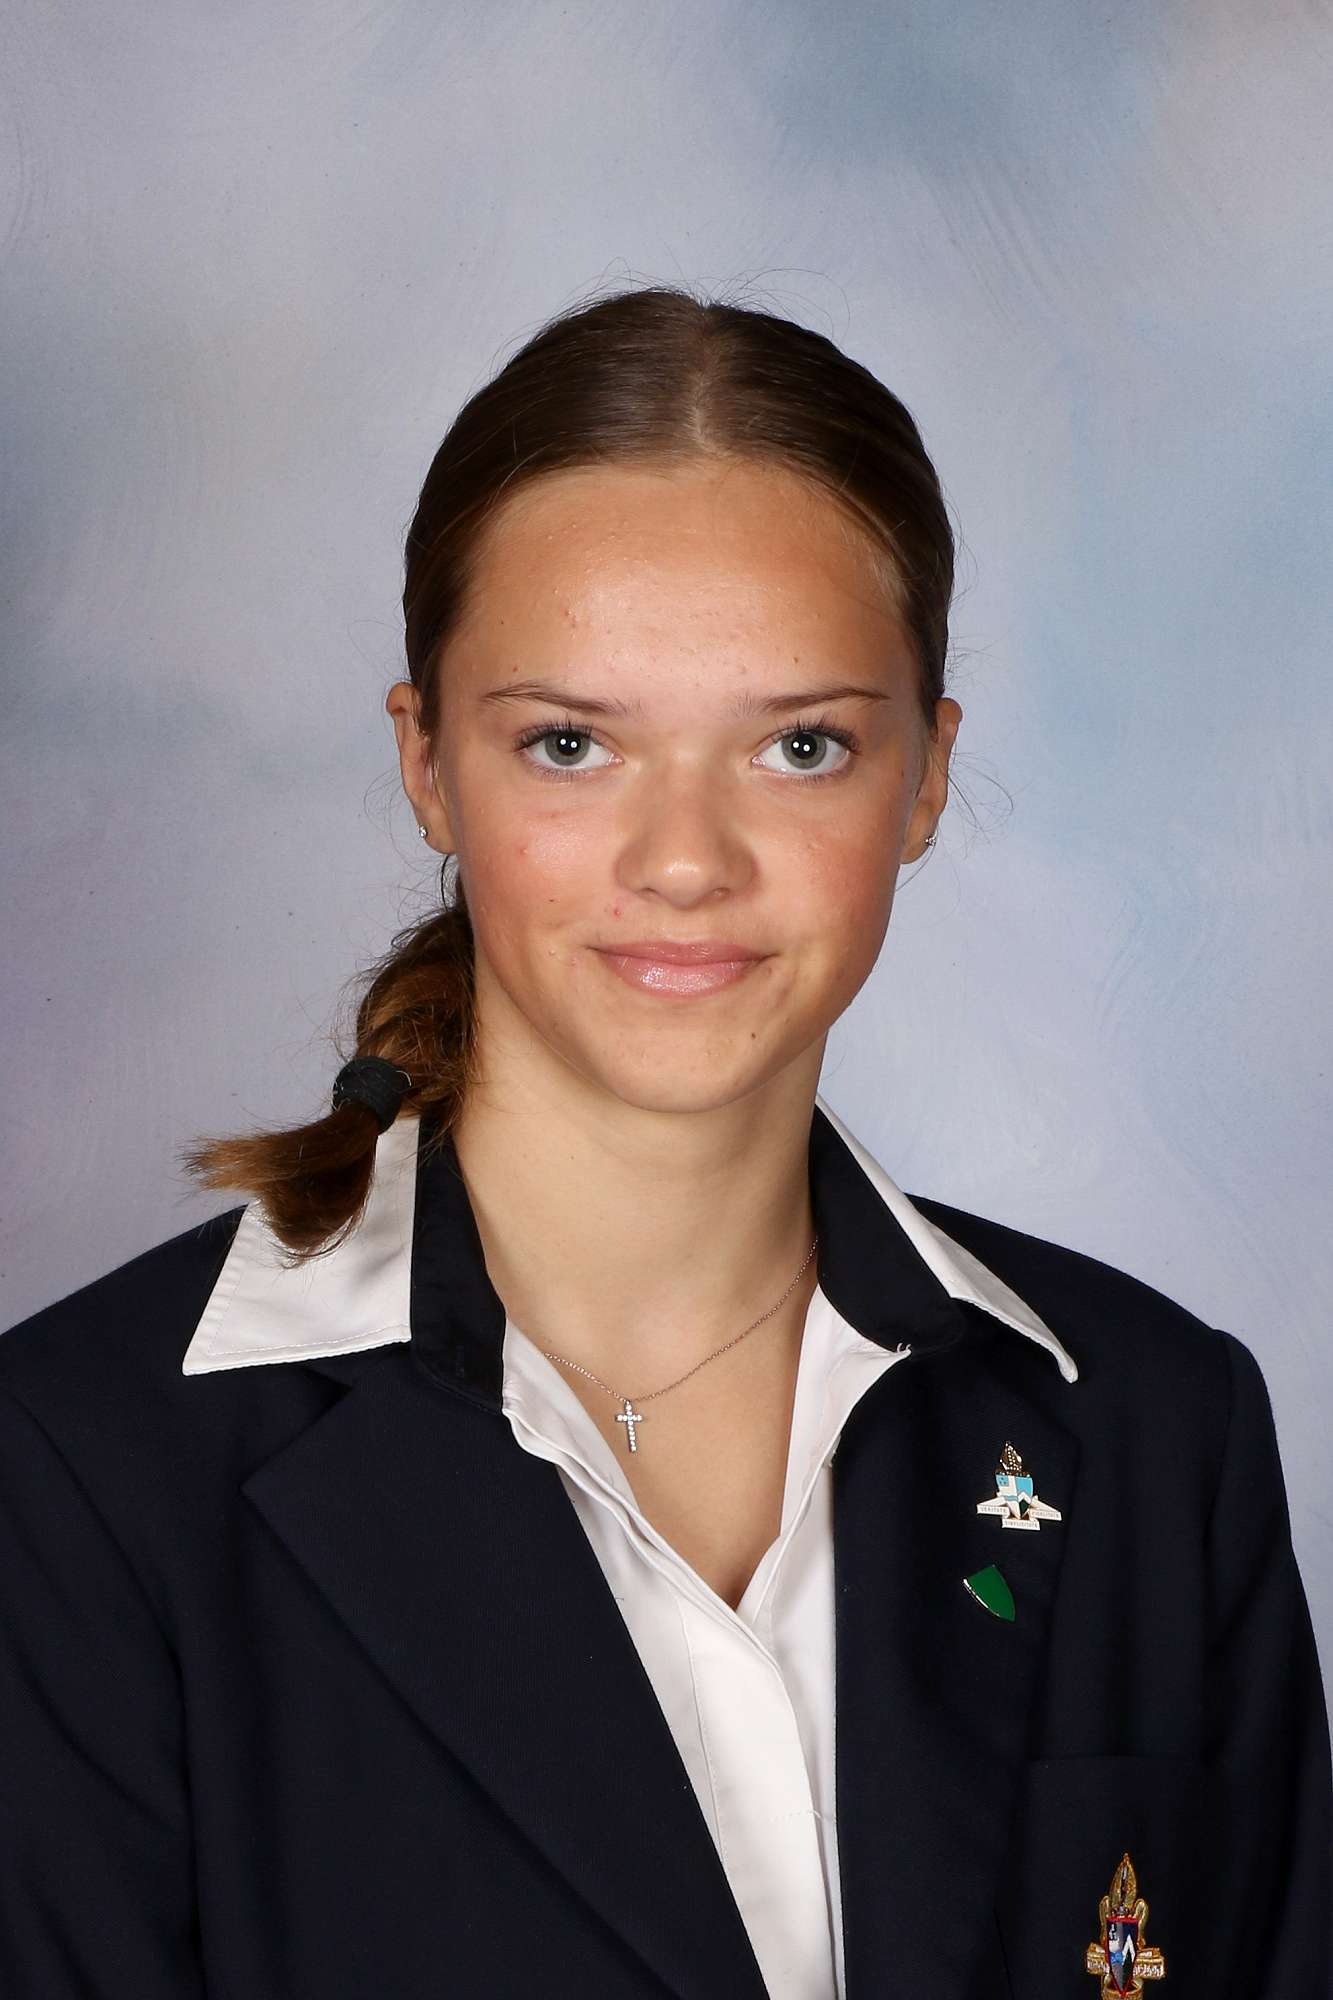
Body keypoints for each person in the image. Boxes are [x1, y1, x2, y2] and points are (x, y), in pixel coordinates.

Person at [1, 284, 1328, 2000]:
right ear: (427, 764)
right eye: (569, 744)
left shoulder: (1154, 1424)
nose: (685, 860)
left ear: (924, 776)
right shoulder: (76, 1476)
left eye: (799, 745)